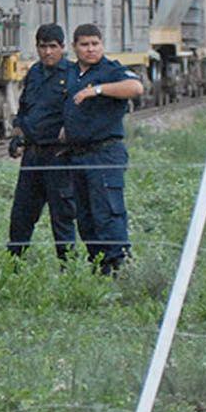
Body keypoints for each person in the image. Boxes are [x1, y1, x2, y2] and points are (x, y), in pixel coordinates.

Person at [61, 23, 144, 274]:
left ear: (102, 45)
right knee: (86, 217)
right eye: (84, 45)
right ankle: (98, 268)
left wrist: (97, 90)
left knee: (107, 212)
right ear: (74, 47)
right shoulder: (71, 73)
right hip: (78, 155)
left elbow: (136, 88)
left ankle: (118, 268)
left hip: (104, 154)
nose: (90, 49)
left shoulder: (111, 70)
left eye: (95, 44)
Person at [7, 24, 78, 260]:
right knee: (21, 216)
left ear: (63, 47)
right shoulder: (35, 73)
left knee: (62, 218)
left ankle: (69, 269)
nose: (48, 52)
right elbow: (24, 110)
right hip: (32, 156)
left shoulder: (73, 74)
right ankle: (13, 267)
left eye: (53, 47)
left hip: (58, 157)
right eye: (43, 47)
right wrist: (18, 136)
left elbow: (80, 113)